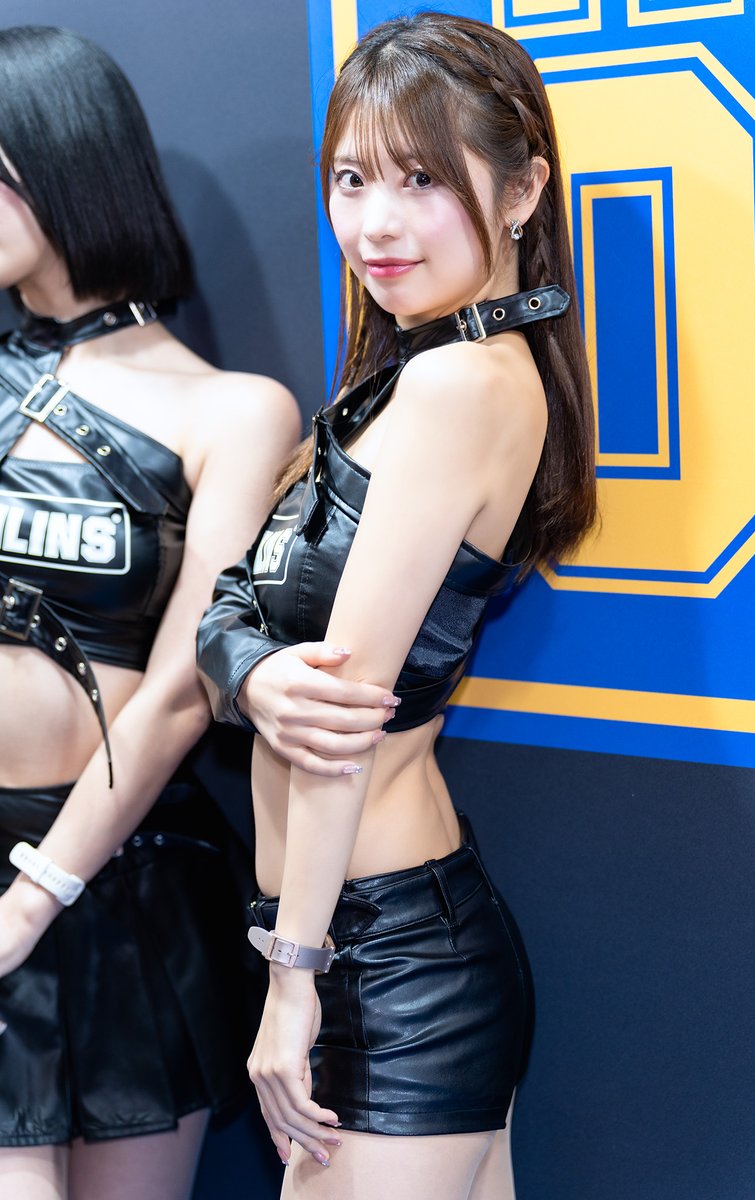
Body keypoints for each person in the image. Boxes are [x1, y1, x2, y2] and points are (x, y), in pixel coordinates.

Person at [197, 12, 597, 1200]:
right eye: (350, 179)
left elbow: (347, 713)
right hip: (375, 940)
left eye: (420, 179)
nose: (373, 223)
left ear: (521, 190)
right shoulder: (404, 377)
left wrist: (293, 980)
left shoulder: (456, 386)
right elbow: (234, 609)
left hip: (378, 963)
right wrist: (250, 666)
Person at [0, 25, 304, 1200]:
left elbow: (186, 684)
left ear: (60, 160)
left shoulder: (233, 412)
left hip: (117, 876)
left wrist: (38, 893)